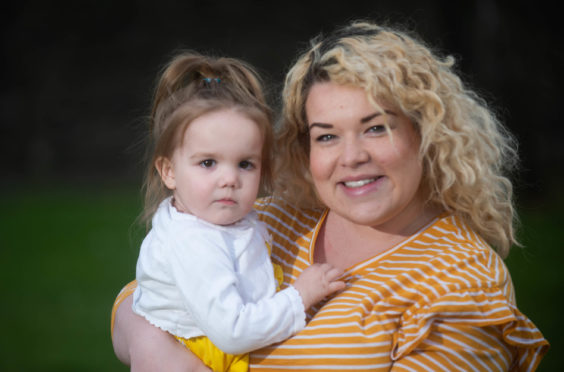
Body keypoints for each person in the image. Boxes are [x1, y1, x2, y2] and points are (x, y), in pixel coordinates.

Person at [112, 21, 549, 371]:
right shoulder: (273, 219)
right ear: (305, 149)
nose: (352, 156)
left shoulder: (459, 281)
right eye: (327, 137)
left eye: (376, 128)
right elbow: (147, 292)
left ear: (427, 134)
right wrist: (154, 349)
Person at [120, 51, 345, 372]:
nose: (229, 179)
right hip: (204, 351)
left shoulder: (215, 219)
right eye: (208, 163)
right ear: (168, 171)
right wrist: (299, 295)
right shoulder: (195, 243)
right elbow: (233, 332)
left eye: (245, 164)